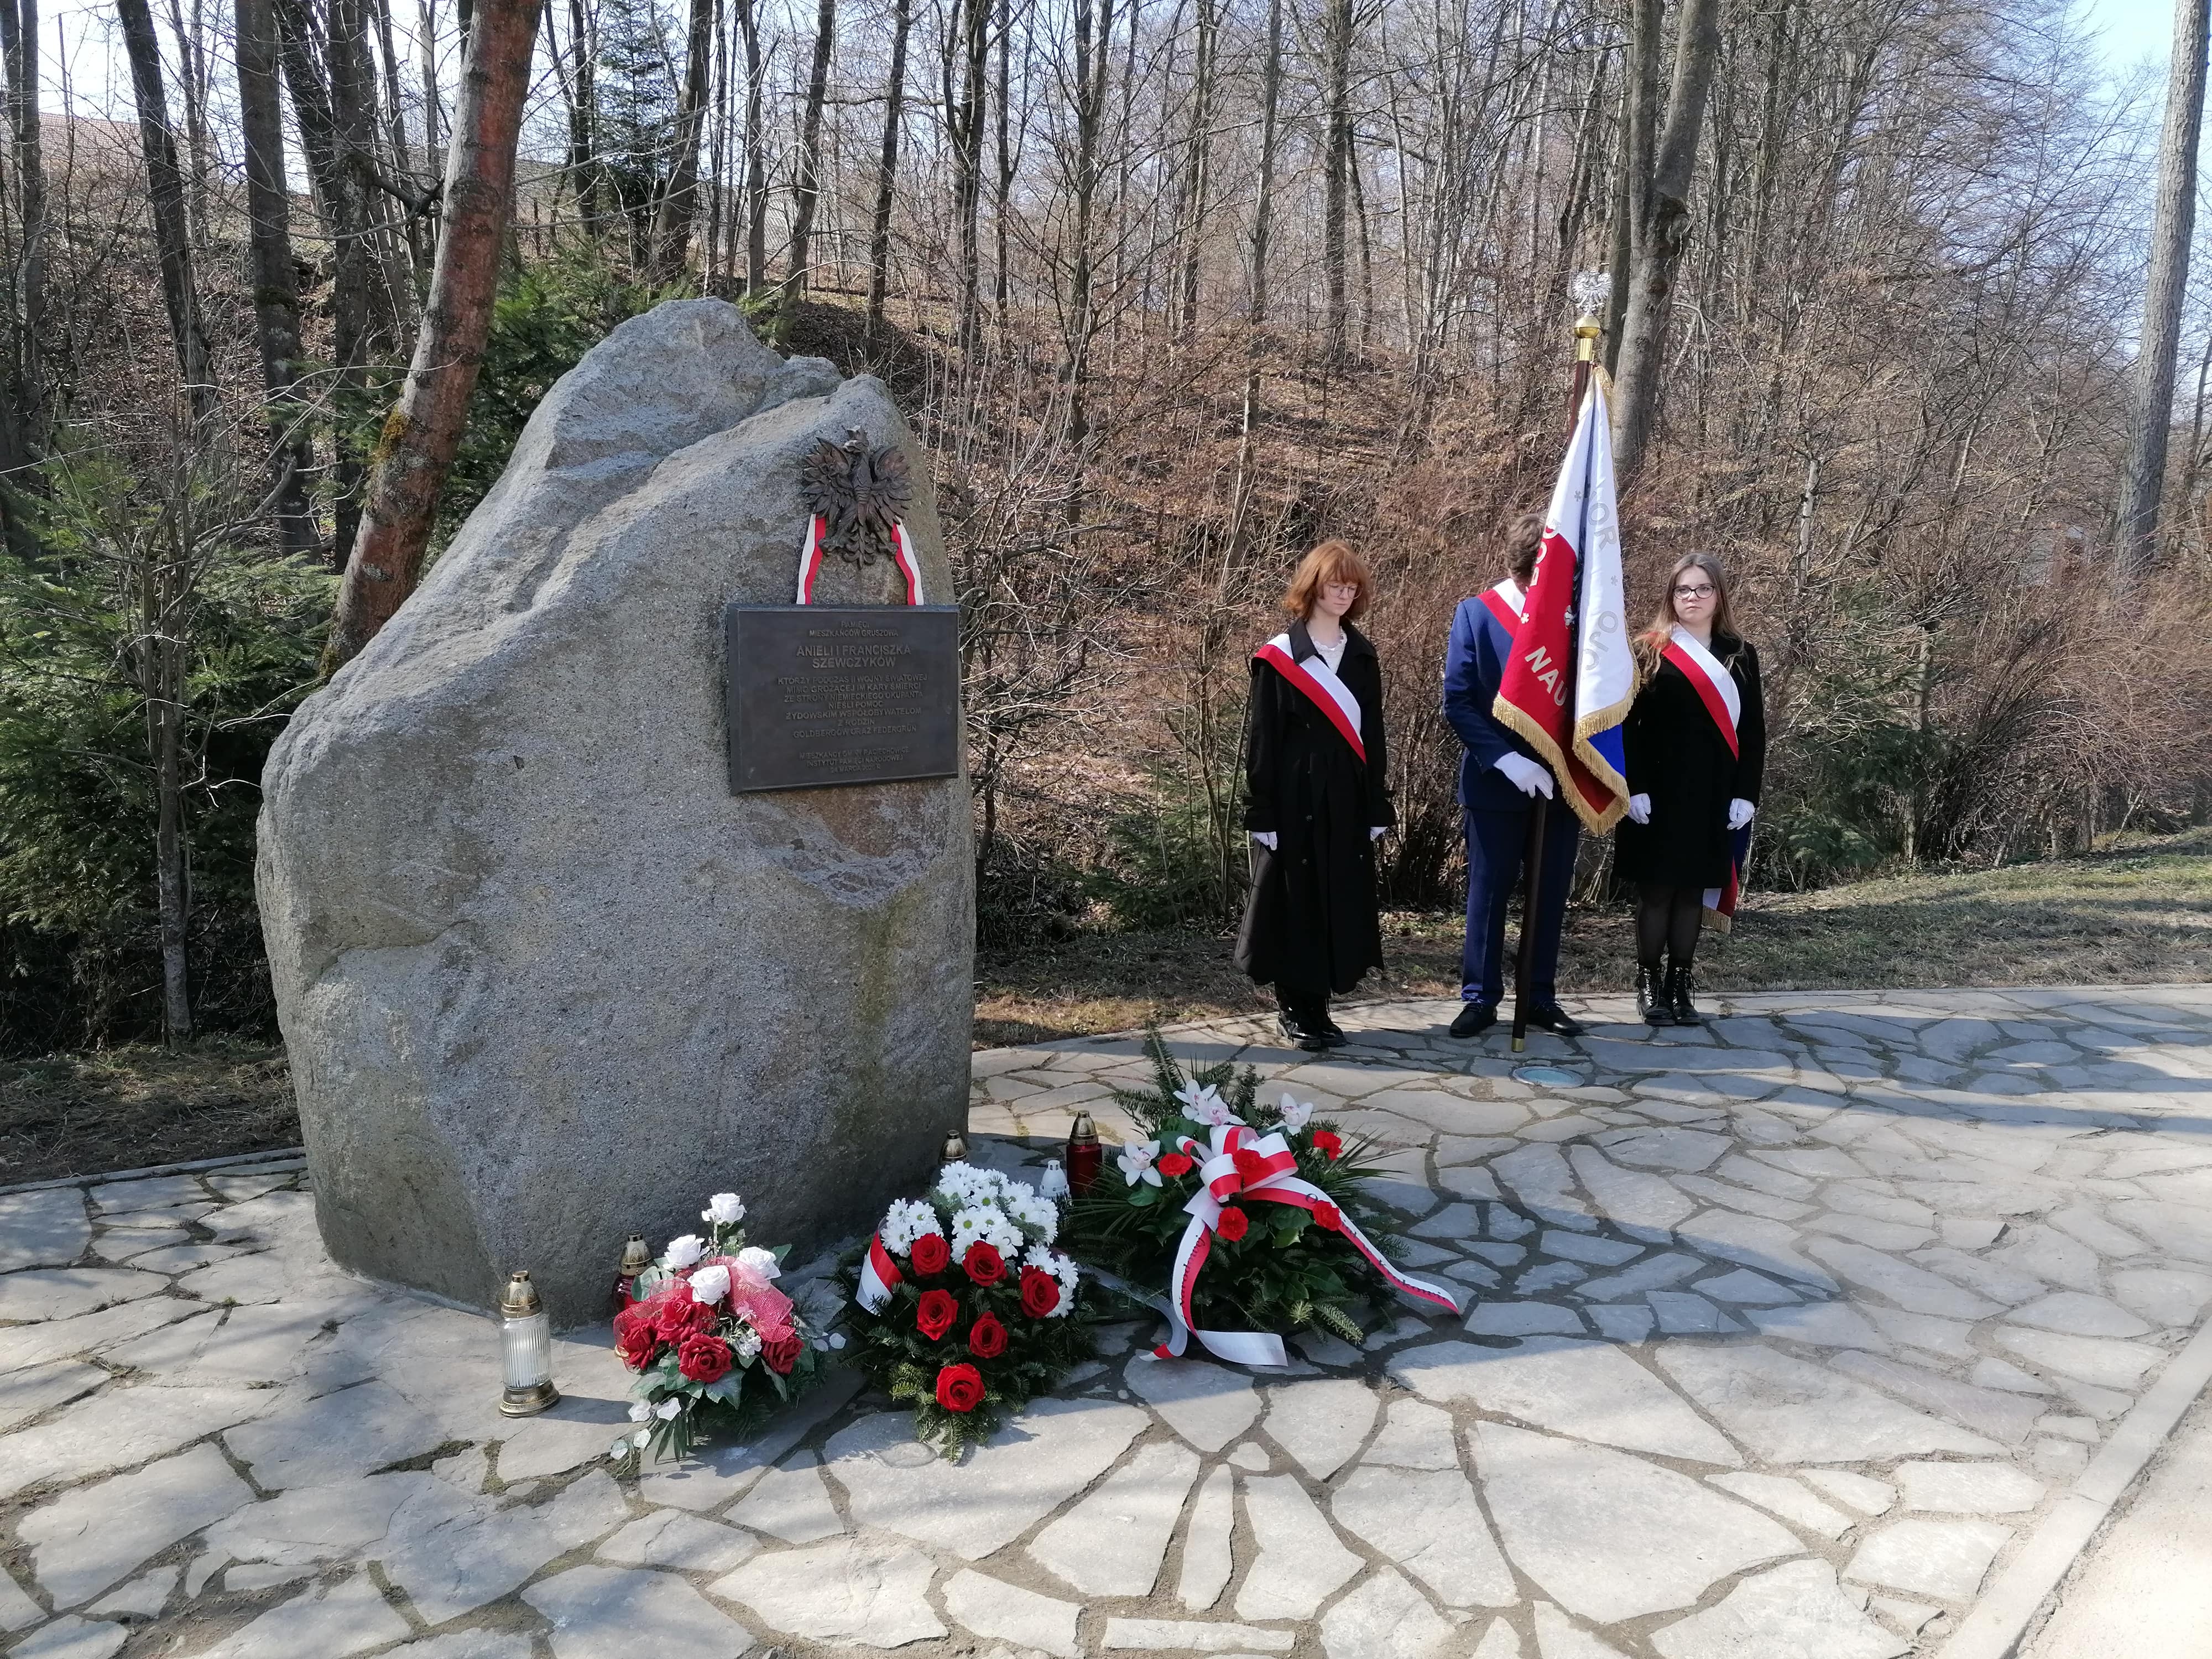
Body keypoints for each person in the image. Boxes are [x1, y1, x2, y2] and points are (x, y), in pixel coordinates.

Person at [1234, 540, 1396, 1051]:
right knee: (1295, 900)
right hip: (1293, 797)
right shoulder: (1279, 657)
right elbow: (1264, 738)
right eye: (1335, 586)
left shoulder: (1363, 656)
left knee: (1336, 898)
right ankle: (1293, 1008)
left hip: (1346, 797)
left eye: (1352, 587)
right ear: (1313, 587)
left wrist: (1376, 801)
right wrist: (1261, 808)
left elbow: (1373, 735)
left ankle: (1320, 1008)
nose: (1345, 595)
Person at [1439, 511, 1584, 1040]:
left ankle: (1539, 996)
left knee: (1549, 895)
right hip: (1495, 784)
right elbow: (1458, 701)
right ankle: (1480, 998)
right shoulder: (1477, 614)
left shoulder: (1577, 620)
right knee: (1489, 894)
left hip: (1563, 783)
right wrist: (1506, 759)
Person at [1616, 551, 1766, 1026]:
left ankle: (1680, 984)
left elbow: (1754, 731)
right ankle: (1648, 984)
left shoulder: (1740, 653)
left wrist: (1746, 793)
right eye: (1683, 589)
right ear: (1671, 595)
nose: (1693, 597)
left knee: (1691, 892)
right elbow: (1627, 728)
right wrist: (1634, 786)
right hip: (1655, 793)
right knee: (1657, 891)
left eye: (1703, 588)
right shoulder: (1649, 649)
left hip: (1713, 793)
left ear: (1719, 595)